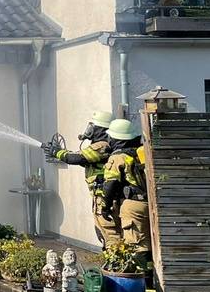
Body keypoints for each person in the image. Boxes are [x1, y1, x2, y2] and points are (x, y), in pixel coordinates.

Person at [43, 110, 122, 248]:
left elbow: (76, 158)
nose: (89, 129)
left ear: (100, 129)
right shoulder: (99, 146)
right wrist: (59, 153)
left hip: (104, 196)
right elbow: (82, 159)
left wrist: (56, 152)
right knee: (103, 232)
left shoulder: (102, 145)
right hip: (101, 196)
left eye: (93, 126)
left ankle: (117, 262)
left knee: (109, 233)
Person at [100, 119, 152, 266]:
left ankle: (143, 281)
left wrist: (105, 207)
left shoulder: (118, 157)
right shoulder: (142, 152)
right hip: (150, 203)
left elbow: (110, 184)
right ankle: (152, 278)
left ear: (117, 139)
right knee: (148, 241)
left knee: (135, 244)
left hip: (133, 206)